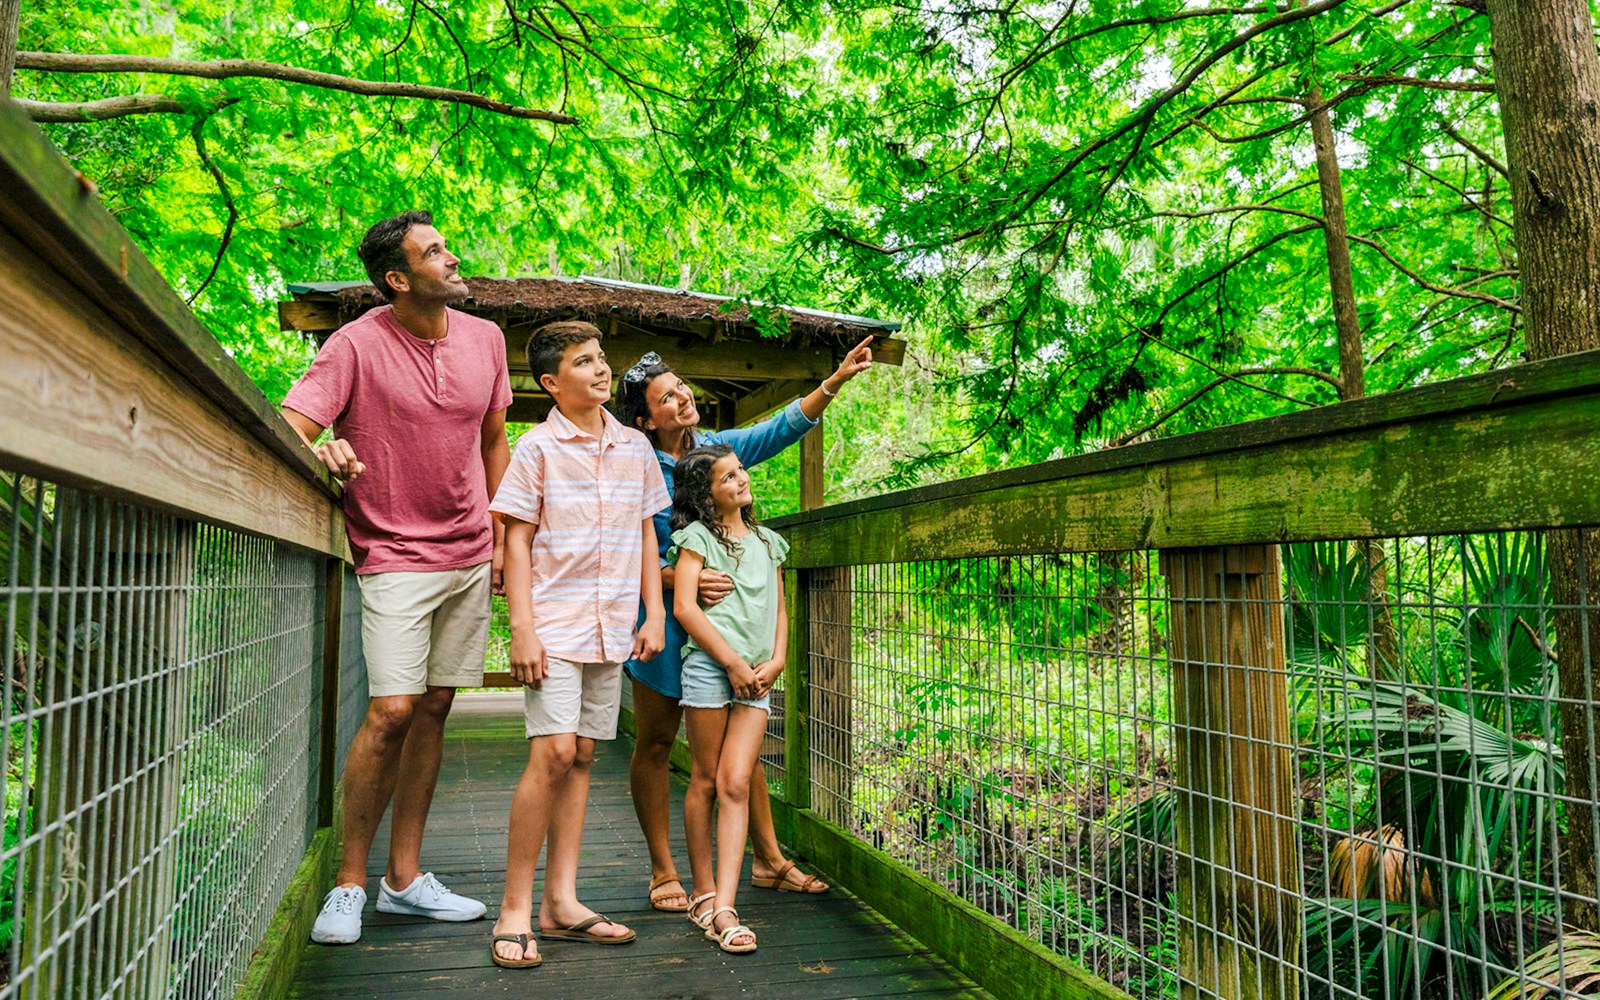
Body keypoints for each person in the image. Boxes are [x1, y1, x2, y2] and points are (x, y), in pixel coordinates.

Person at [282, 211, 511, 945]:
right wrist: (327, 452)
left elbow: (495, 439)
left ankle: (404, 881)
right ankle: (349, 882)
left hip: (470, 551)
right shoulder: (353, 345)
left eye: (446, 244)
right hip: (392, 554)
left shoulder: (487, 340)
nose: (451, 258)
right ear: (397, 278)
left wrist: (502, 536)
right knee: (391, 712)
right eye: (433, 252)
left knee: (437, 705)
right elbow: (293, 427)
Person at [614, 336, 874, 913]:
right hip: (666, 624)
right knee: (657, 743)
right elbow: (615, 550)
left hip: (730, 629)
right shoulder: (632, 466)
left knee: (740, 748)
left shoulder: (715, 450)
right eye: (667, 398)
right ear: (643, 419)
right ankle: (664, 871)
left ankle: (769, 859)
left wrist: (833, 383)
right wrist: (673, 580)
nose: (683, 399)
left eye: (682, 387)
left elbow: (777, 430)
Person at [486, 320, 670, 970]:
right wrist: (523, 629)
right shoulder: (536, 449)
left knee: (586, 753)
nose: (599, 369)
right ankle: (514, 908)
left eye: (601, 359)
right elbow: (515, 537)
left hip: (613, 623)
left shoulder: (636, 450)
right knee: (555, 753)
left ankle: (560, 902)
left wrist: (654, 616)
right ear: (550, 383)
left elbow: (649, 536)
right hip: (555, 623)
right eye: (583, 362)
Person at [669, 445, 791, 954]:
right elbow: (685, 609)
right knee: (706, 778)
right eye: (726, 478)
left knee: (736, 782)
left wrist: (777, 660)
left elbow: (780, 610)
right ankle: (704, 890)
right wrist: (732, 663)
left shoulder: (768, 541)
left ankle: (726, 906)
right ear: (706, 494)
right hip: (711, 669)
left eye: (740, 471)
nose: (740, 480)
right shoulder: (698, 538)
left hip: (758, 678)